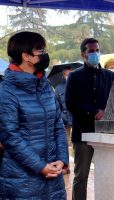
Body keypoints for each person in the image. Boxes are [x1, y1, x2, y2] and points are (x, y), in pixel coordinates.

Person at [0, 31, 69, 199]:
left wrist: (62, 159)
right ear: (26, 56)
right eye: (40, 51)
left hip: (53, 173)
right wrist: (40, 166)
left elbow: (58, 127)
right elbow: (10, 136)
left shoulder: (45, 86)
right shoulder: (7, 90)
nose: (45, 54)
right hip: (22, 178)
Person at [65, 38, 114, 200]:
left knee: (108, 175)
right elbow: (70, 103)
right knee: (81, 176)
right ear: (83, 54)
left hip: (106, 135)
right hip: (83, 134)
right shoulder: (74, 76)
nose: (95, 54)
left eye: (97, 50)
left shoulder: (109, 76)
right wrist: (94, 112)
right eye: (91, 51)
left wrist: (107, 111)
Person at [55, 65, 74, 146]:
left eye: (71, 74)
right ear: (63, 75)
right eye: (67, 75)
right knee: (66, 144)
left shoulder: (81, 85)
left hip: (78, 119)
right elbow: (56, 105)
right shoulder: (59, 88)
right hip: (65, 120)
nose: (69, 77)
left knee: (79, 144)